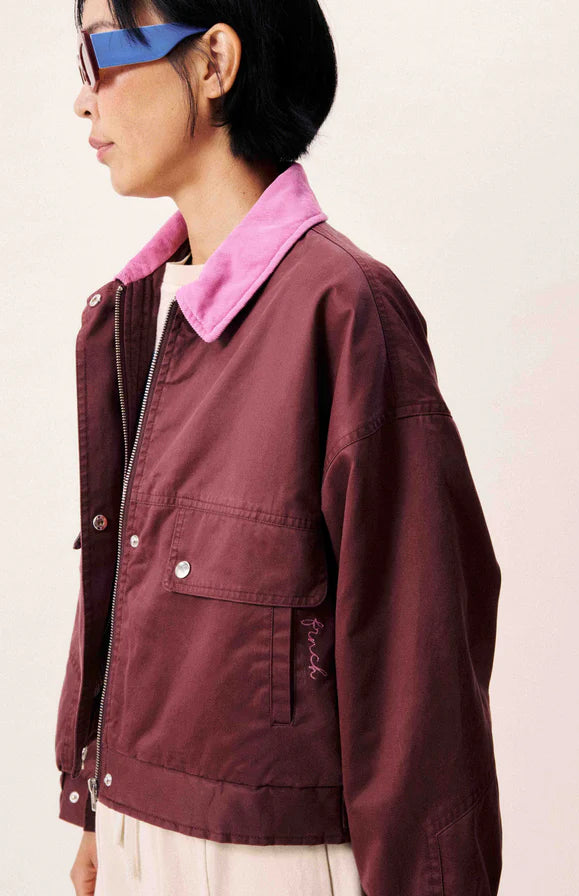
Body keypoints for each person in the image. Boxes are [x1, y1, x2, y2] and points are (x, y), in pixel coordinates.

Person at [56, 1, 504, 894]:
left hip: (274, 858)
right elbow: (132, 580)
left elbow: (418, 668)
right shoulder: (131, 316)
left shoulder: (345, 311)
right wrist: (102, 801)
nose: (83, 99)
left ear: (213, 62)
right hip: (138, 833)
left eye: (99, 52)